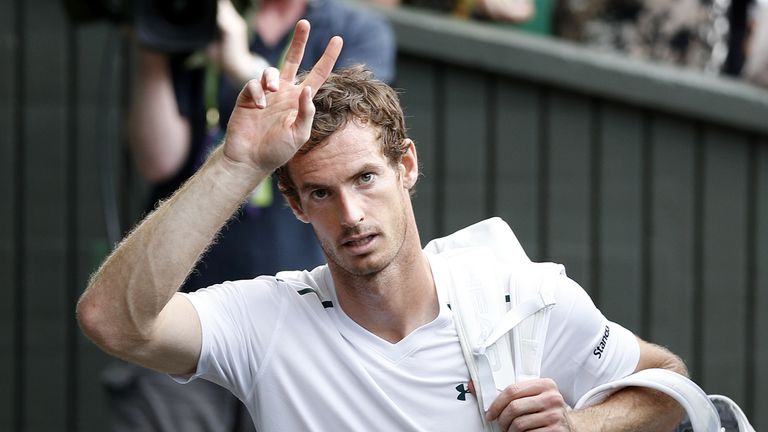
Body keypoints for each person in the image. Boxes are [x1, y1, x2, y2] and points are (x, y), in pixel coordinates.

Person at [80, 20, 688, 431]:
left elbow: (668, 385)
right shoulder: (266, 319)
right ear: (295, 205)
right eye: (320, 192)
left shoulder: (518, 299)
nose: (350, 215)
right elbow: (113, 321)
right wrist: (237, 163)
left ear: (407, 166)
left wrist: (580, 424)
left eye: (365, 178)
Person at [108, 1, 395, 430]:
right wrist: (156, 43)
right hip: (185, 317)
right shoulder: (195, 16)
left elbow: (344, 141)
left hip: (309, 324)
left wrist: (241, 64)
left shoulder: (350, 28)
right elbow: (157, 161)